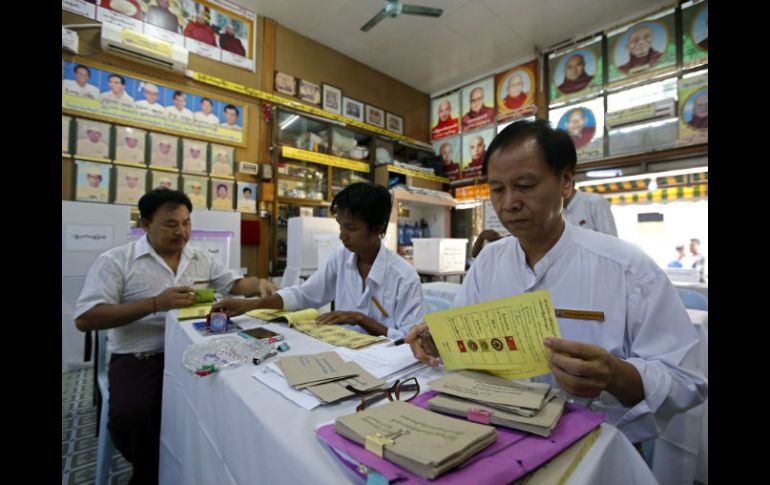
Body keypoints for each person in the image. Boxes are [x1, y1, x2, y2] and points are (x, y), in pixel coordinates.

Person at [406, 119, 707, 444]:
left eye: (524, 185)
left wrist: (615, 375)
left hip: (592, 445)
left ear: (565, 182)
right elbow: (464, 341)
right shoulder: (488, 261)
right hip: (494, 434)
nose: (509, 203)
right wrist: (440, 341)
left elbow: (686, 379)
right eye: (497, 189)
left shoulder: (626, 267)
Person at [74, 189, 277, 485]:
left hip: (197, 352)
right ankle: (151, 473)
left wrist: (259, 283)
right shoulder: (117, 261)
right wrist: (155, 304)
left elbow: (234, 283)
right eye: (171, 224)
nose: (181, 232)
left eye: (186, 223)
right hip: (142, 356)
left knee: (236, 397)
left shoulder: (200, 257)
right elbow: (85, 318)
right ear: (146, 225)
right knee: (134, 416)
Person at [213, 183, 425, 341]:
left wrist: (360, 319)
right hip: (343, 351)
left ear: (378, 229)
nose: (342, 236)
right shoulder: (341, 257)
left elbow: (412, 339)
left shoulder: (404, 277)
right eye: (340, 226)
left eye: (351, 228)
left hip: (387, 364)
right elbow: (304, 294)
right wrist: (248, 305)